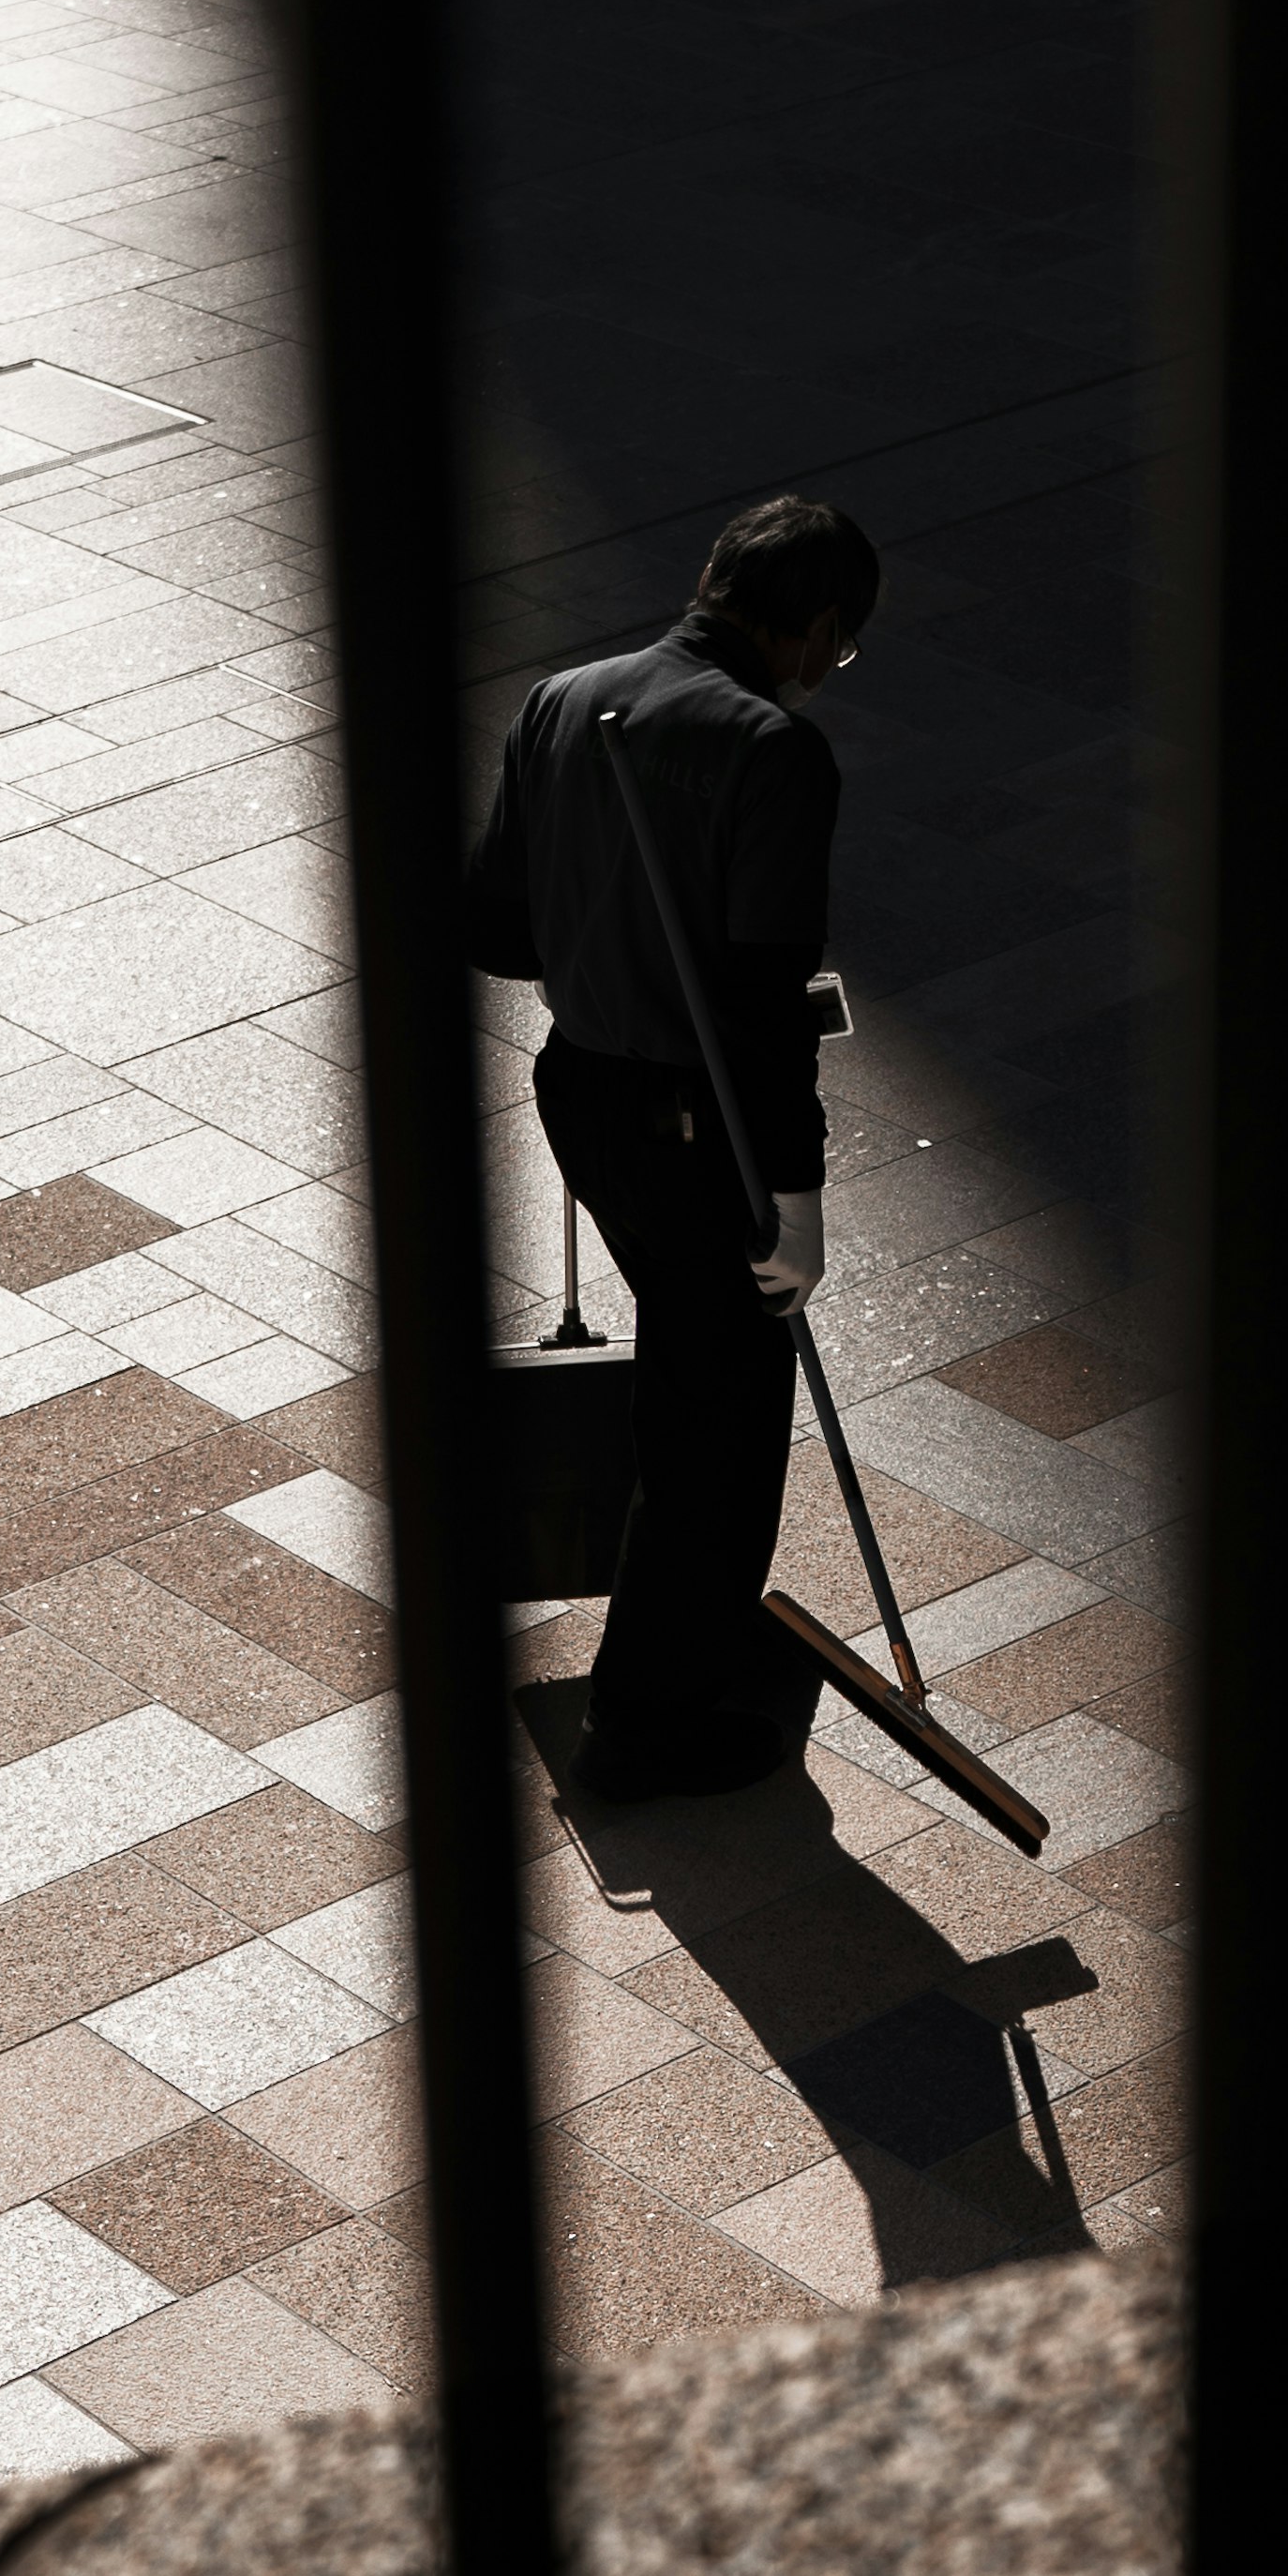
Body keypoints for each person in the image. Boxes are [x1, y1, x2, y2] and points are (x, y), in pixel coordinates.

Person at [466, 489, 881, 1800]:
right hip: (698, 1133)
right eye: (842, 651)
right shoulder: (775, 753)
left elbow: (496, 930)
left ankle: (682, 1639)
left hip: (582, 1096)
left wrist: (611, 945)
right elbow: (763, 1019)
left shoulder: (561, 697)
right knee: (724, 1424)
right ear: (815, 629)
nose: (831, 674)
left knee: (690, 1375)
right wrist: (795, 1201)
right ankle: (647, 1722)